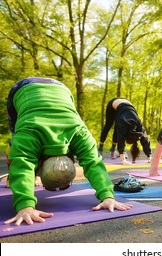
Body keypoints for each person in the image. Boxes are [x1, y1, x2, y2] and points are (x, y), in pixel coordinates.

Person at [5, 77, 132, 226]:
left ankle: (28, 176)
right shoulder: (28, 133)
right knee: (15, 144)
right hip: (22, 88)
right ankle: (17, 177)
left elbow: (94, 163)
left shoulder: (80, 135)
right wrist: (25, 206)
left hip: (62, 89)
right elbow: (21, 164)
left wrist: (108, 197)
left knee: (22, 149)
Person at [98, 98, 152, 164]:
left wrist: (149, 157)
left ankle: (113, 150)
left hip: (127, 107)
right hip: (114, 103)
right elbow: (121, 139)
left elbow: (145, 138)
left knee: (117, 127)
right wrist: (123, 160)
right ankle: (100, 148)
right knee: (108, 125)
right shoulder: (123, 123)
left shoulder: (138, 122)